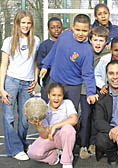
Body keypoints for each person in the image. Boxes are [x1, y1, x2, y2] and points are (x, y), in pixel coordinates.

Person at [0, 10, 40, 160]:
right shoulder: (9, 41)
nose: (26, 25)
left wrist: (35, 79)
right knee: (9, 117)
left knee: (25, 118)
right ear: (17, 23)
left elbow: (35, 62)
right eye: (23, 22)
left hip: (28, 83)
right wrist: (1, 89)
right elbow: (3, 65)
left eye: (28, 23)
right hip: (11, 82)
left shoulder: (36, 40)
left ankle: (22, 143)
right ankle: (14, 149)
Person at [39, 14, 98, 110]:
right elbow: (54, 50)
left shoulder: (87, 50)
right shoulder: (64, 35)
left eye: (84, 31)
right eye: (77, 30)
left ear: (89, 30)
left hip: (72, 87)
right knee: (51, 113)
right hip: (55, 81)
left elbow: (88, 74)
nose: (80, 33)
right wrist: (45, 65)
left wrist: (91, 93)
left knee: (70, 116)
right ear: (72, 27)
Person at [28, 82, 77, 168]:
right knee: (32, 153)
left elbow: (74, 119)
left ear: (63, 96)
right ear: (48, 95)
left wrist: (55, 126)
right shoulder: (44, 110)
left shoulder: (67, 103)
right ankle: (54, 156)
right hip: (51, 138)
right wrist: (39, 127)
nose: (56, 98)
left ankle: (67, 162)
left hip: (64, 138)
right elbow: (45, 135)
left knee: (68, 128)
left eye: (59, 95)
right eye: (53, 95)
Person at [79, 26, 110, 159]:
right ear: (90, 40)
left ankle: (93, 143)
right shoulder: (84, 51)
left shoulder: (107, 54)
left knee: (96, 118)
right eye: (95, 40)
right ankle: (83, 145)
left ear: (106, 42)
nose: (98, 43)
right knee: (85, 117)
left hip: (100, 91)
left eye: (101, 40)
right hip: (85, 90)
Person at [36, 16, 63, 102]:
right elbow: (40, 63)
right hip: (48, 82)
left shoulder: (66, 44)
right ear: (48, 30)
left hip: (63, 81)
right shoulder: (44, 45)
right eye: (53, 27)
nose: (56, 30)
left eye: (58, 27)